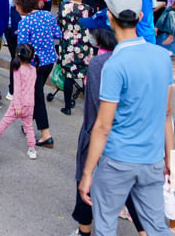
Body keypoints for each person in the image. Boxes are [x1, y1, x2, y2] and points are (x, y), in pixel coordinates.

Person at [78, 0, 175, 236]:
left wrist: (87, 173)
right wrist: (168, 158)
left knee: (107, 226)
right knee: (156, 227)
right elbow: (166, 113)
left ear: (109, 19)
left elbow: (102, 126)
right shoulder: (163, 57)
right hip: (152, 160)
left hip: (117, 162)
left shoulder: (114, 65)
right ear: (142, 16)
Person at [70, 15, 121, 236]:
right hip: (124, 139)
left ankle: (84, 230)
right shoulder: (127, 59)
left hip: (99, 132)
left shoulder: (99, 64)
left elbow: (94, 109)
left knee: (86, 182)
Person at [14, 0, 60, 149]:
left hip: (34, 64)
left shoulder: (25, 22)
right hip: (49, 61)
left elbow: (22, 49)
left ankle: (46, 134)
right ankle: (28, 122)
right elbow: (57, 34)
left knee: (37, 96)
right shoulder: (48, 15)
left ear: (22, 6)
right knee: (36, 92)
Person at [0, 43, 38, 159]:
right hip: (30, 104)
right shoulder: (33, 70)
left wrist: (17, 105)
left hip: (18, 104)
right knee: (29, 127)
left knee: (4, 123)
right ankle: (32, 149)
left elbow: (17, 89)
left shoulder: (18, 70)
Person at [57, 0, 94, 115]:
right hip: (83, 44)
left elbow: (59, 22)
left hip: (67, 44)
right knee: (85, 75)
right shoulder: (88, 9)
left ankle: (67, 106)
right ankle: (89, 108)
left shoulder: (64, 6)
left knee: (68, 75)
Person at [5, 0, 31, 98]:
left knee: (15, 58)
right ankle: (14, 89)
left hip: (11, 29)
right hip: (18, 31)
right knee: (19, 59)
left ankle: (14, 89)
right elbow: (25, 15)